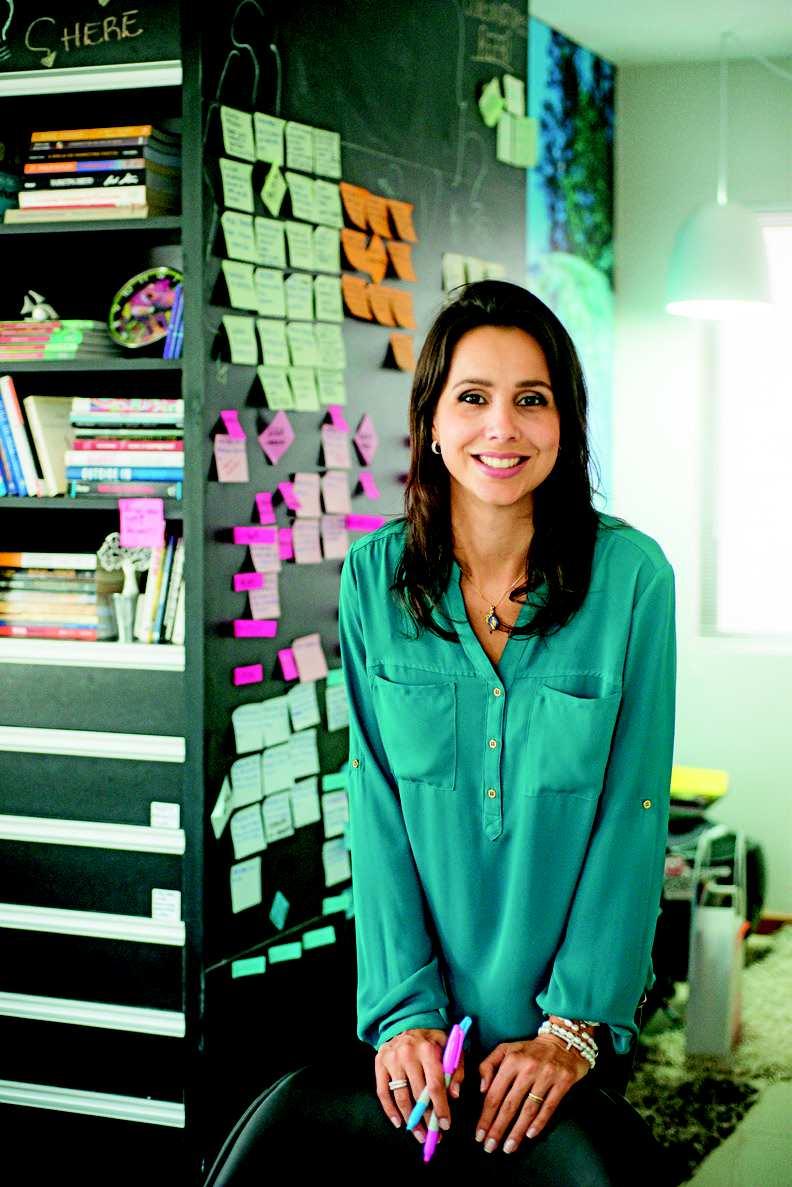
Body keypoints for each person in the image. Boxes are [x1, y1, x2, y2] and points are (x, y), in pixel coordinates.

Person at [203, 281, 677, 1186]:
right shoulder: (374, 578)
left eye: (532, 399)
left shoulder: (632, 580)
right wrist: (404, 1010)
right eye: (473, 397)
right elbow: (376, 802)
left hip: (565, 1028)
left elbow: (634, 812)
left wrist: (574, 1027)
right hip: (421, 1027)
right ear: (428, 421)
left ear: (566, 422)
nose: (502, 427)